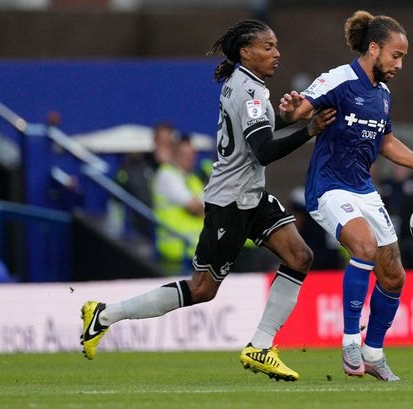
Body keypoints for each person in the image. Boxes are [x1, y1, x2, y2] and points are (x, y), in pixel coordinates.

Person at [80, 19, 336, 382]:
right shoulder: (248, 92)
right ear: (245, 53)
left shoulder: (247, 86)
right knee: (202, 290)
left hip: (250, 197)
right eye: (267, 47)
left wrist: (287, 117)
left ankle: (260, 346)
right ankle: (105, 315)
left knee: (300, 255)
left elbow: (257, 132)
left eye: (276, 45)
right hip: (229, 204)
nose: (276, 53)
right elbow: (262, 150)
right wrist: (308, 130)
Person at [279, 10, 413, 381]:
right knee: (362, 246)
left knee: (394, 276)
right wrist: (289, 111)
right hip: (327, 186)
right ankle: (349, 340)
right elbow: (299, 110)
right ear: (374, 48)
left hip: (362, 188)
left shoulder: (382, 94)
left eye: (403, 58)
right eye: (396, 55)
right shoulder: (339, 79)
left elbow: (387, 144)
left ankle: (373, 352)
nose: (400, 64)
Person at [116, 122, 177, 236]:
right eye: (161, 142)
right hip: (141, 231)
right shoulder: (138, 166)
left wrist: (168, 166)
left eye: (168, 143)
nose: (164, 148)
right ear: (154, 142)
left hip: (172, 232)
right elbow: (143, 197)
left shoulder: (178, 170)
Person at [152, 136, 205, 264]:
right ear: (174, 154)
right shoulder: (166, 175)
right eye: (184, 154)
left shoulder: (193, 179)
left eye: (192, 154)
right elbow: (195, 207)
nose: (189, 158)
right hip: (175, 252)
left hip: (196, 251)